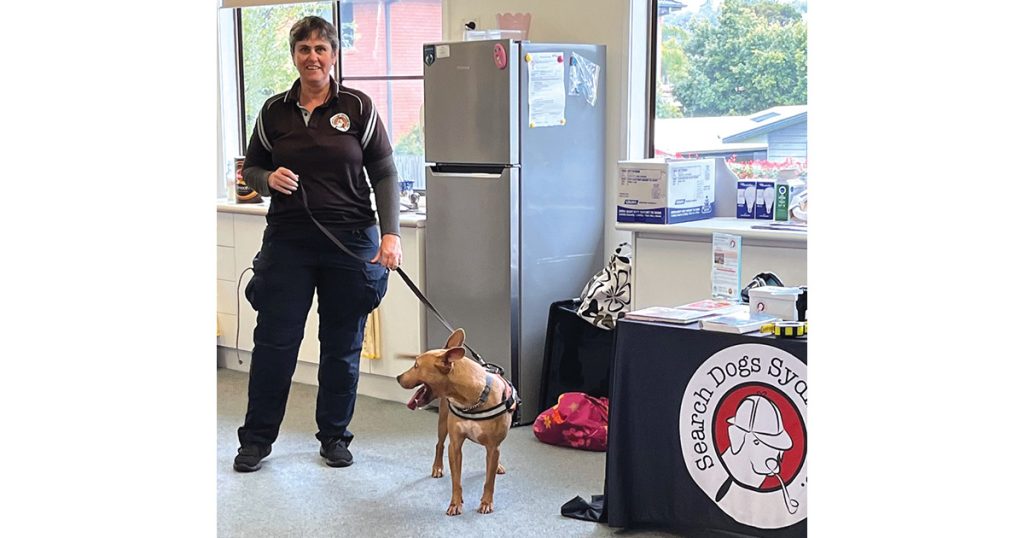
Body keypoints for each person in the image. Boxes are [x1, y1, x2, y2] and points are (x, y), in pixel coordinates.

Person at [233, 16, 403, 472]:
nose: (312, 56)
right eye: (304, 48)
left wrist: (391, 234)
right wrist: (267, 178)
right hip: (289, 242)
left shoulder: (359, 107)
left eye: (321, 48)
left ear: (334, 55)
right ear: (294, 56)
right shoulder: (273, 111)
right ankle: (255, 441)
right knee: (274, 343)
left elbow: (385, 173)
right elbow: (249, 170)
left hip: (350, 242)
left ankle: (334, 437)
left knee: (342, 346)